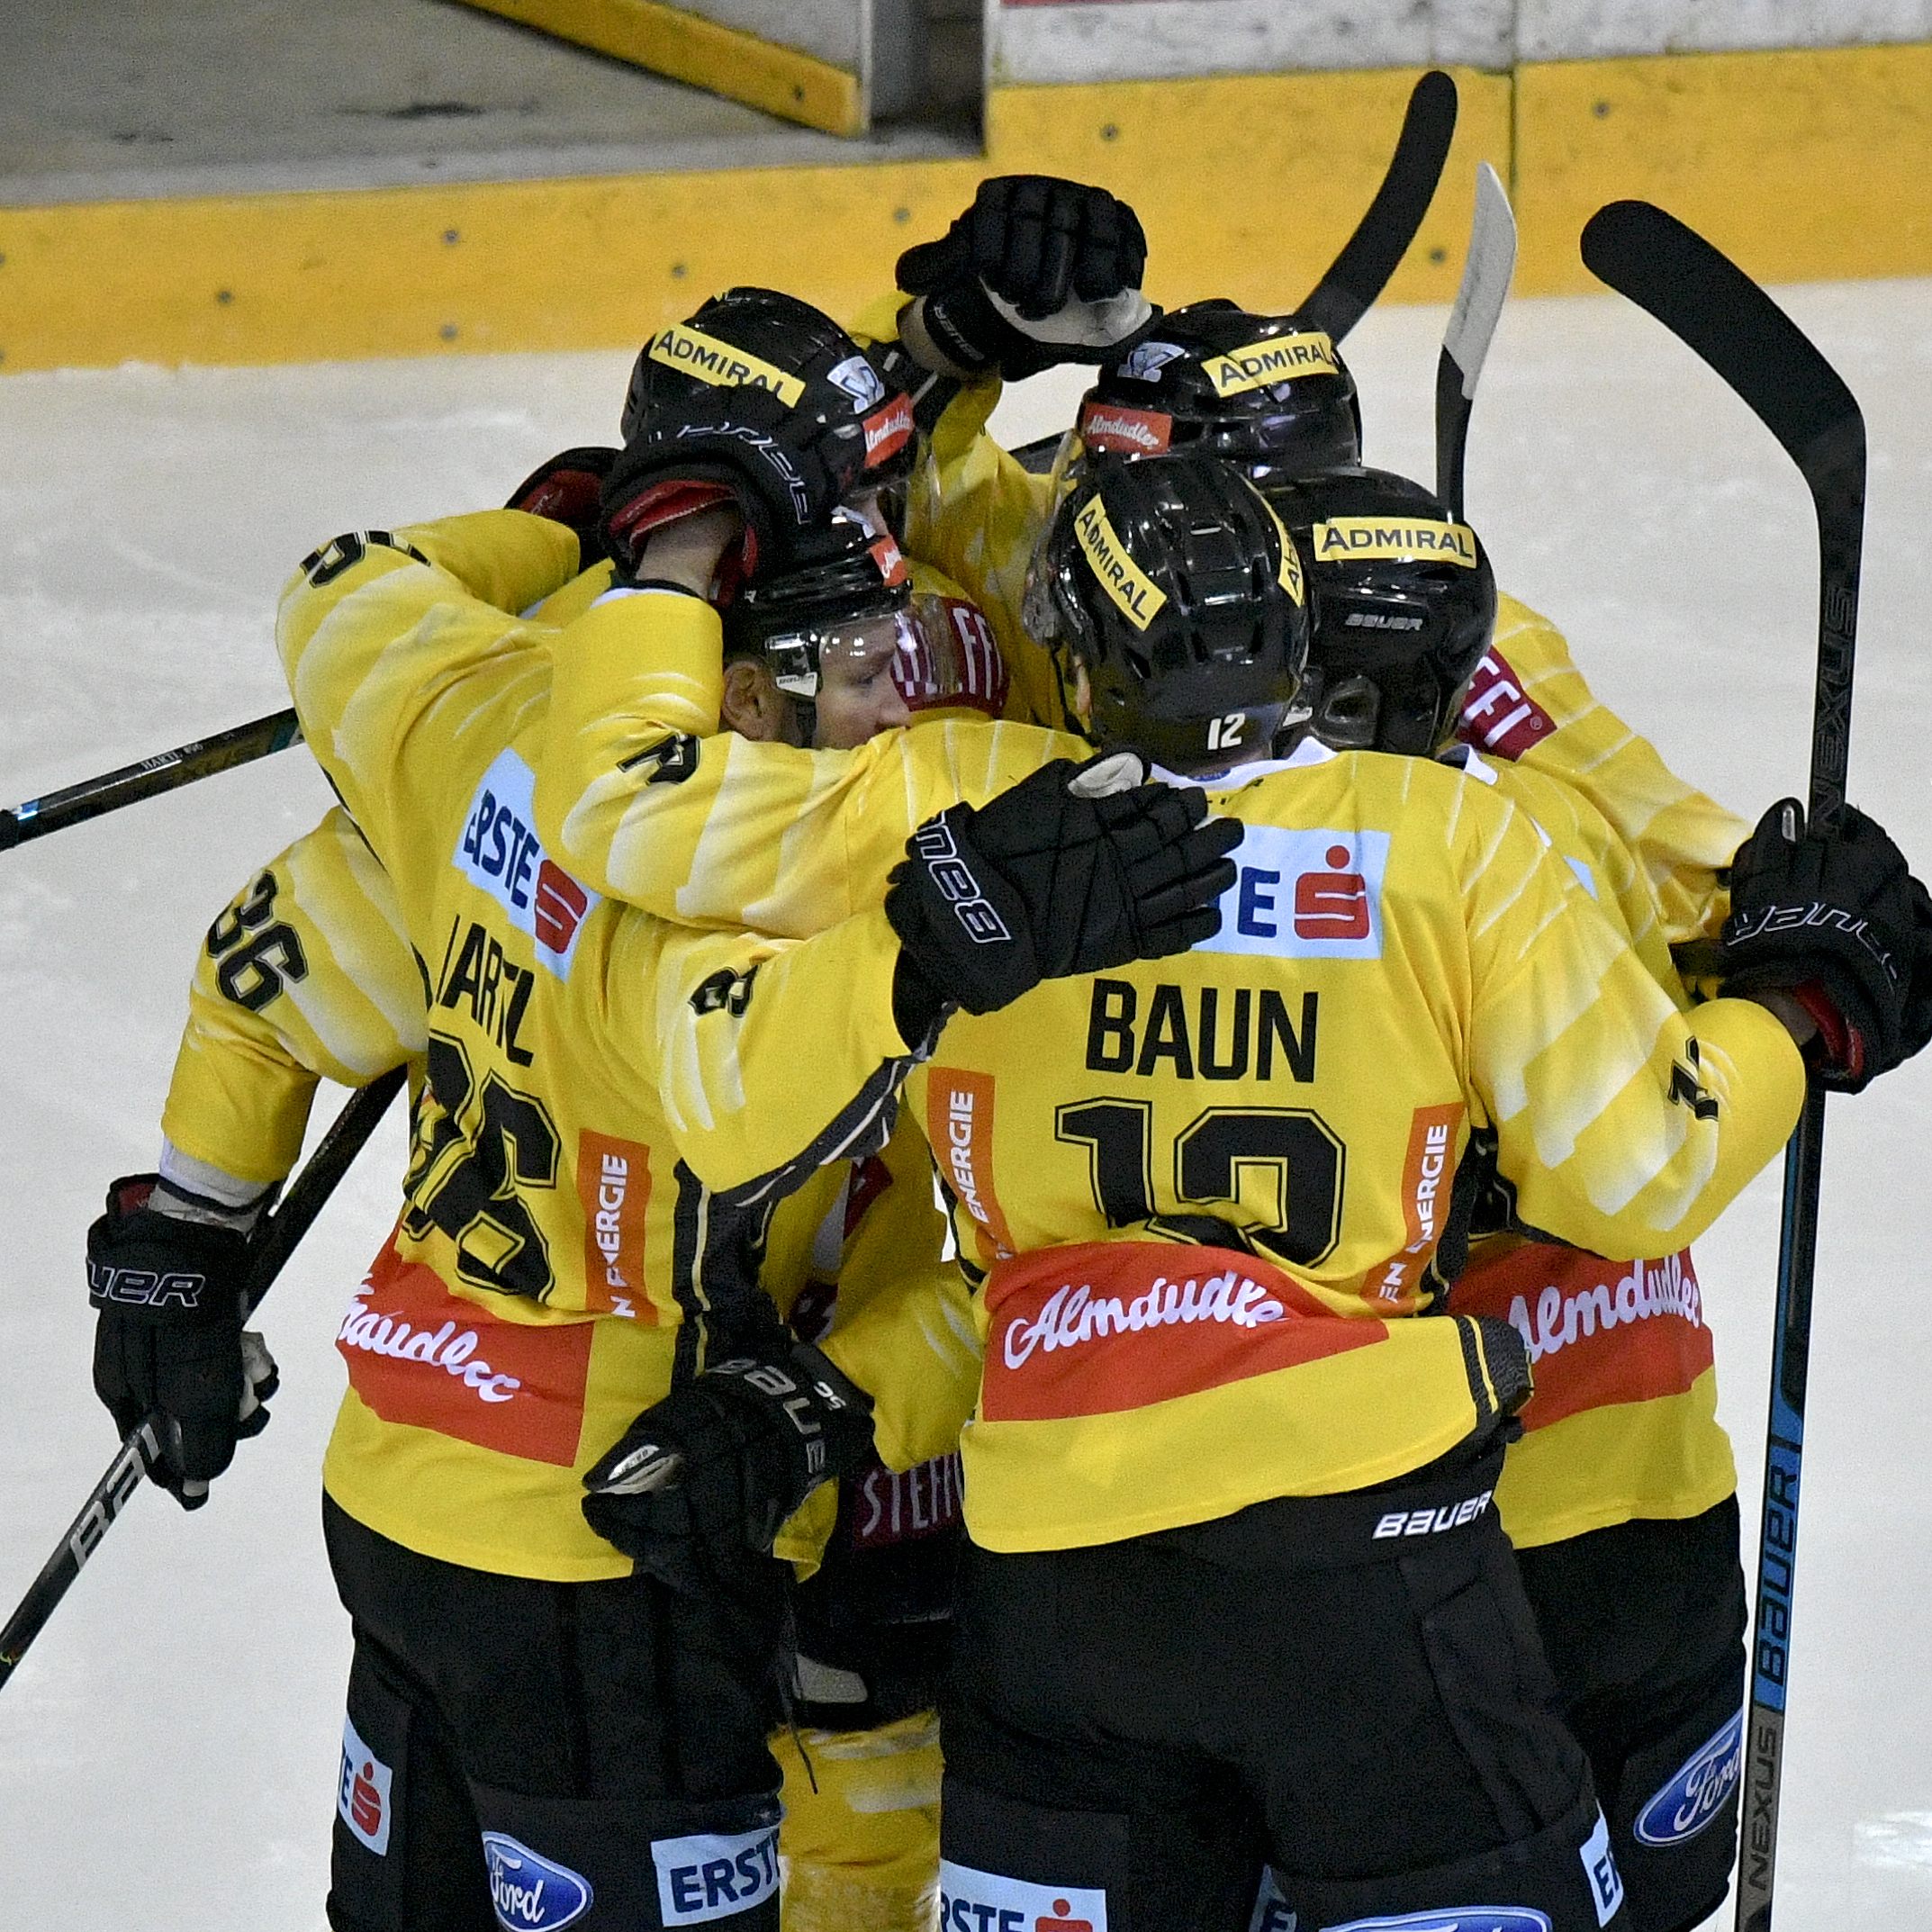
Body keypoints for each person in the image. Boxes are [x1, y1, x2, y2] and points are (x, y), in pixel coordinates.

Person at [530, 442, 1931, 1929]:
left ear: (1066, 658)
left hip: (1058, 1577)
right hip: (1364, 1561)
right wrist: (1791, 1011)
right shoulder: (1447, 837)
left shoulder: (952, 796)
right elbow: (1635, 1173)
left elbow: (625, 804)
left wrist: (675, 562)